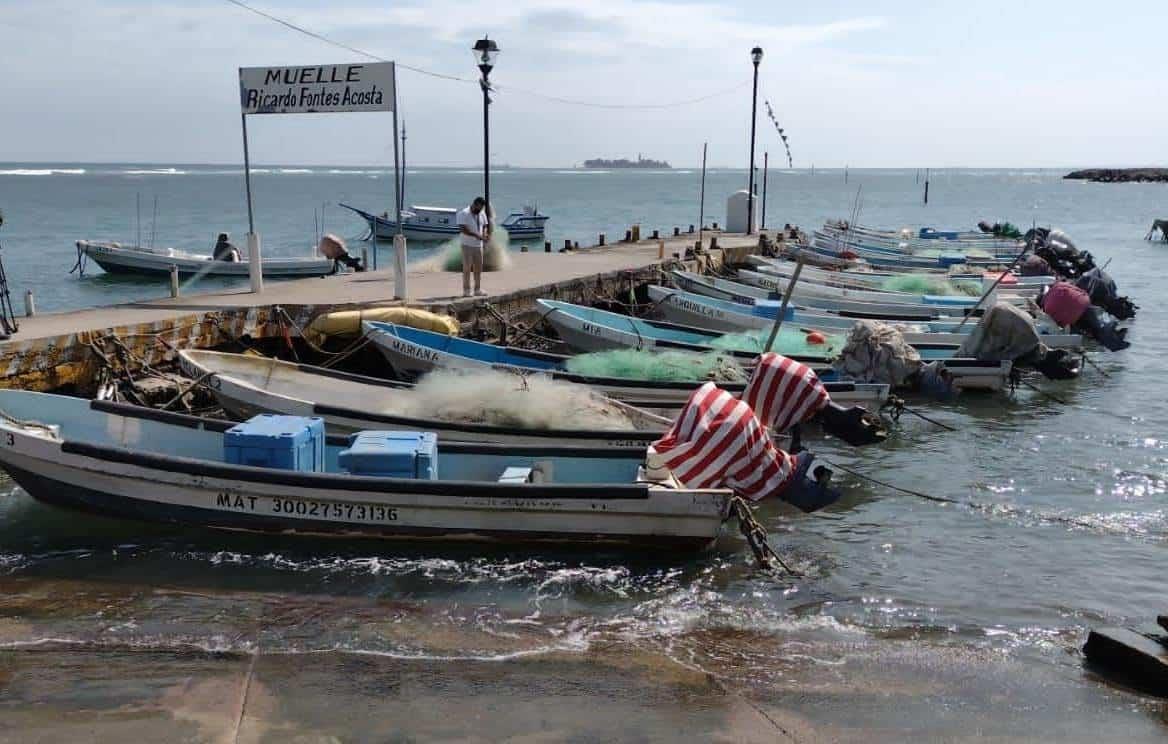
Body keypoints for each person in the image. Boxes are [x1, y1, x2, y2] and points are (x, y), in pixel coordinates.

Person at [455, 197, 489, 297]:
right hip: (467, 245)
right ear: (474, 204)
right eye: (479, 208)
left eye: (482, 208)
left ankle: (477, 289)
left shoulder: (482, 213)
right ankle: (466, 290)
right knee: (467, 267)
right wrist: (477, 235)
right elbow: (463, 229)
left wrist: (485, 234)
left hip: (479, 246)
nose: (480, 210)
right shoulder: (463, 213)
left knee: (478, 268)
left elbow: (485, 225)